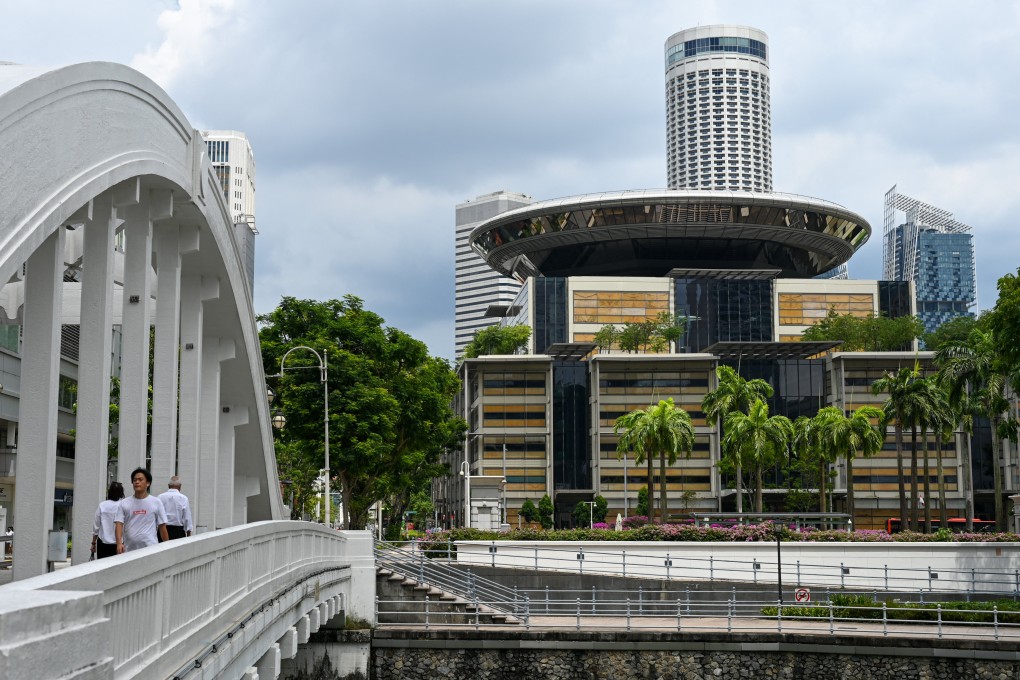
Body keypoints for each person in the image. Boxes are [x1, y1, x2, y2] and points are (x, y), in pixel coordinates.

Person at [115, 467, 168, 552]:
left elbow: (162, 526)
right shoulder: (124, 503)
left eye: (140, 479)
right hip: (129, 549)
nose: (137, 482)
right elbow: (119, 524)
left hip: (151, 548)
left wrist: (167, 546)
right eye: (135, 480)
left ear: (148, 483)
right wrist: (119, 544)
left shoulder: (156, 502)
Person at [91, 481, 125, 559]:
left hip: (103, 543)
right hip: (119, 543)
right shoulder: (123, 505)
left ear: (109, 492)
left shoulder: (102, 505)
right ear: (121, 493)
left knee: (102, 567)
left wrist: (93, 543)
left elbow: (96, 526)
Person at [157, 475, 193, 540]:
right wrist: (188, 536)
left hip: (162, 530)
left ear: (168, 485)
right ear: (180, 486)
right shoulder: (184, 498)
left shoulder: (160, 497)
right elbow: (187, 519)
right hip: (178, 532)